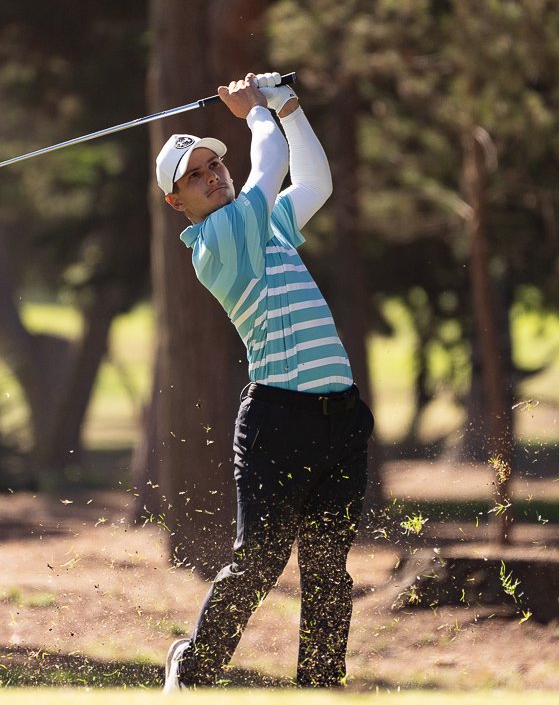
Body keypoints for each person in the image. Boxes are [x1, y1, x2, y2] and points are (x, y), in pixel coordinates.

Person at [155, 72, 374, 691]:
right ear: (178, 202)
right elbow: (271, 164)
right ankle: (191, 670)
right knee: (259, 562)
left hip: (341, 419)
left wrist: (288, 107)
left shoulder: (264, 225)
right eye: (195, 177)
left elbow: (315, 183)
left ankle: (320, 690)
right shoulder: (218, 240)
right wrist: (255, 110)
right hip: (278, 422)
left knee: (328, 570)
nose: (212, 177)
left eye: (214, 165)